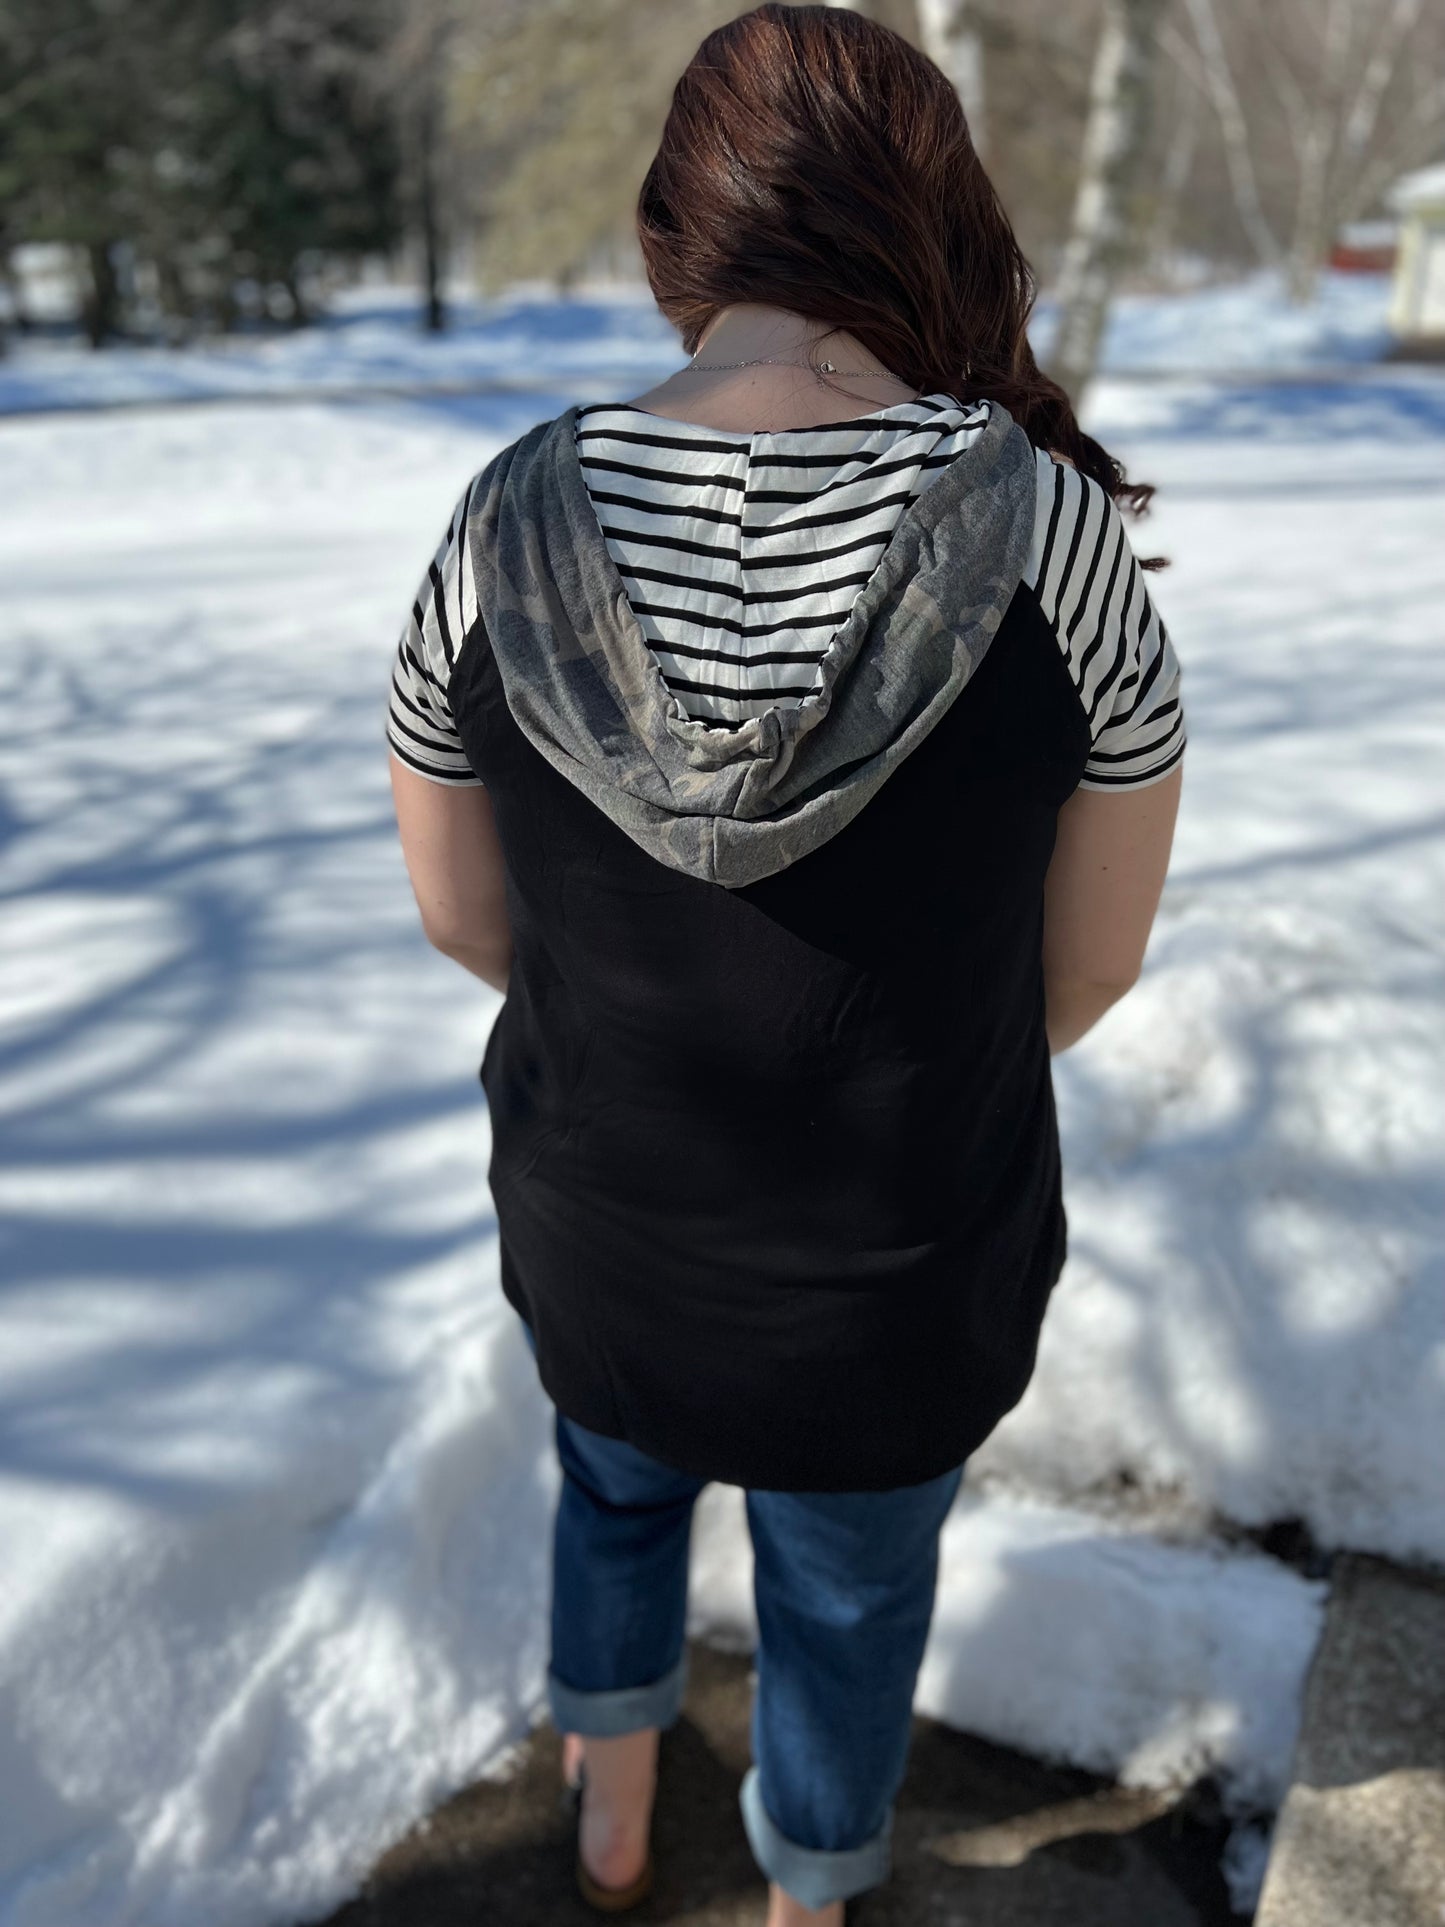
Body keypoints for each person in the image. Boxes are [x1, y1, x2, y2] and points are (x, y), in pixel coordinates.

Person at [383, 6, 1185, 1922]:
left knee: (617, 1490)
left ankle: (607, 1800)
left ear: (681, 228)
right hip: (898, 1272)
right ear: (935, 224)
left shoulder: (502, 524)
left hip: (605, 1231)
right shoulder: (1049, 541)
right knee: (845, 1588)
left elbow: (465, 921)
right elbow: (1084, 973)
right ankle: (813, 1889)